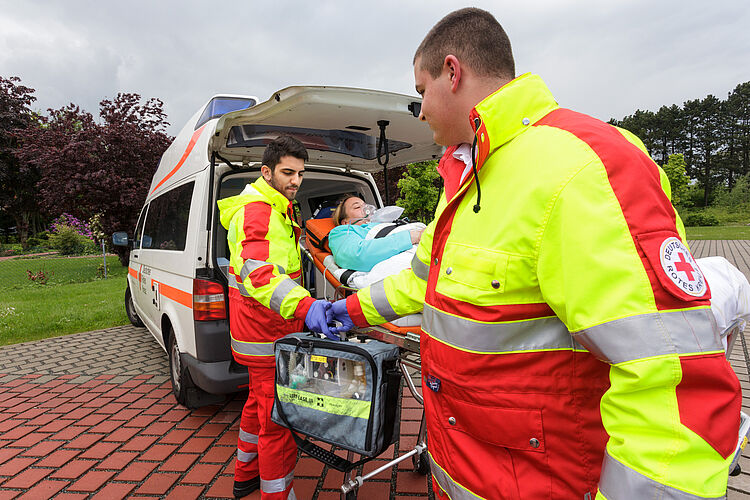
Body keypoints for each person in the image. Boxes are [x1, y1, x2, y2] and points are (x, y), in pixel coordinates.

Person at [326, 8, 741, 499]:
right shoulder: (466, 176)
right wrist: (344, 309)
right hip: (467, 470)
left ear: (453, 72)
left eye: (421, 91)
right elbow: (423, 281)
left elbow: (672, 386)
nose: (419, 112)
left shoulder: (581, 166)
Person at [217, 136, 333, 499]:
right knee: (278, 422)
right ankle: (276, 493)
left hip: (259, 332)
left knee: (257, 406)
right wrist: (307, 307)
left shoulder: (274, 207)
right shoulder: (260, 211)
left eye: (300, 173)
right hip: (268, 334)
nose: (295, 180)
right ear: (266, 172)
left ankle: (245, 475)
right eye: (287, 172)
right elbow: (259, 274)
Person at [328, 194, 424, 272]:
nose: (366, 208)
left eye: (365, 205)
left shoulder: (388, 223)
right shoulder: (342, 231)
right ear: (345, 222)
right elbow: (358, 256)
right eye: (357, 207)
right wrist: (413, 236)